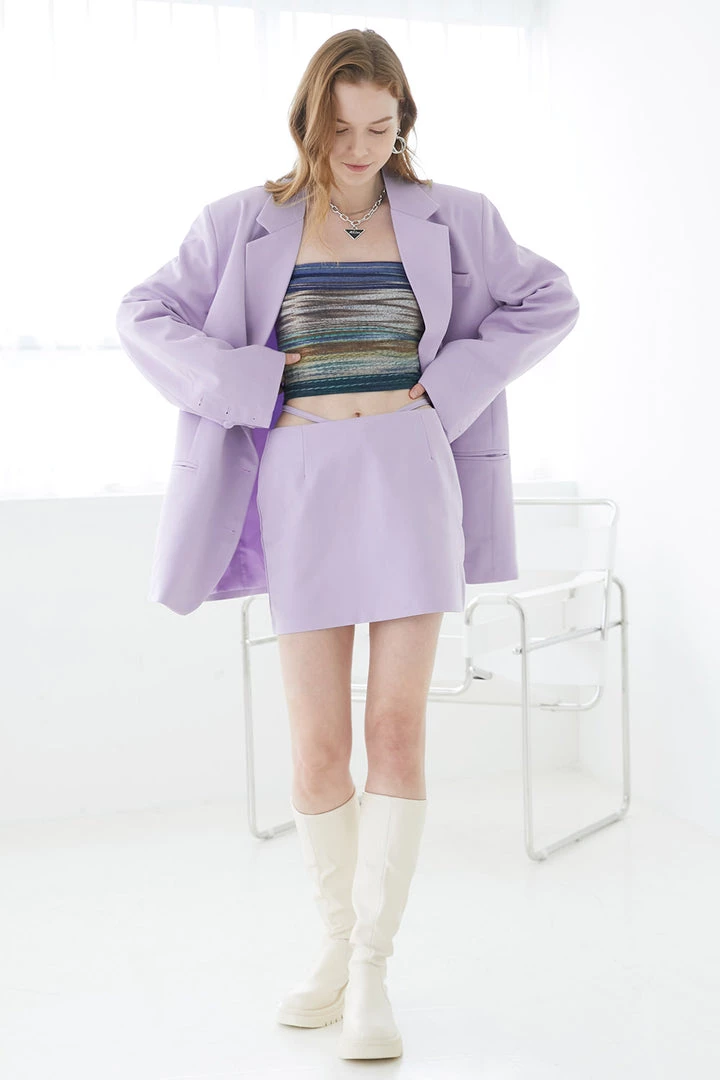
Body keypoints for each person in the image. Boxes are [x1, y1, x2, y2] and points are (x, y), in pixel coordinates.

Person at [116, 26, 580, 1063]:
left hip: (409, 478)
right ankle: (333, 945)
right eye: (341, 129)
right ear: (308, 122)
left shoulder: (457, 216)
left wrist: (449, 388)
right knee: (320, 745)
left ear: (402, 121)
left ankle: (372, 968)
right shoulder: (244, 220)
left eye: (381, 126)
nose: (361, 148)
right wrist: (247, 381)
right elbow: (143, 312)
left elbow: (549, 299)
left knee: (398, 732)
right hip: (304, 484)